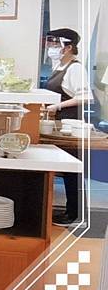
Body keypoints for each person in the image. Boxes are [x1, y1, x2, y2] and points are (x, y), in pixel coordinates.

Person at [44, 28, 93, 226]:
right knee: (68, 169)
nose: (51, 47)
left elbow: (85, 96)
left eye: (56, 44)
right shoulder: (60, 66)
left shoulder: (75, 68)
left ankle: (77, 215)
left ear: (68, 47)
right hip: (61, 124)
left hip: (71, 125)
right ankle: (71, 210)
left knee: (73, 170)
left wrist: (57, 105)